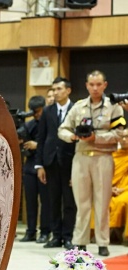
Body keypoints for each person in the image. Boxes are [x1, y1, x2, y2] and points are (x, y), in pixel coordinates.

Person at [58, 70, 124, 256]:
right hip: (81, 158)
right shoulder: (78, 107)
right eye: (91, 84)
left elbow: (120, 134)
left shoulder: (113, 107)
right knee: (82, 202)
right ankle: (80, 241)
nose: (95, 88)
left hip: (103, 158)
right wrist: (71, 136)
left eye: (98, 84)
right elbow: (62, 129)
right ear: (87, 85)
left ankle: (103, 242)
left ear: (105, 85)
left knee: (102, 202)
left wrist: (98, 137)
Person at [36, 77, 76, 249]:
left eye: (59, 88)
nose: (55, 92)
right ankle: (55, 235)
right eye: (53, 89)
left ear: (68, 90)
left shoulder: (77, 109)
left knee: (69, 201)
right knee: (52, 200)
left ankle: (68, 236)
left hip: (70, 161)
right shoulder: (47, 111)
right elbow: (41, 138)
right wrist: (40, 165)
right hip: (50, 160)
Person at [18, 96, 50, 243]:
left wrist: (36, 144)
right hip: (30, 166)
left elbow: (52, 142)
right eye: (34, 112)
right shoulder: (29, 125)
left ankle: (45, 231)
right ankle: (30, 231)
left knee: (46, 202)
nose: (37, 114)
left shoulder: (50, 123)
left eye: (39, 111)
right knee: (30, 202)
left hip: (46, 166)